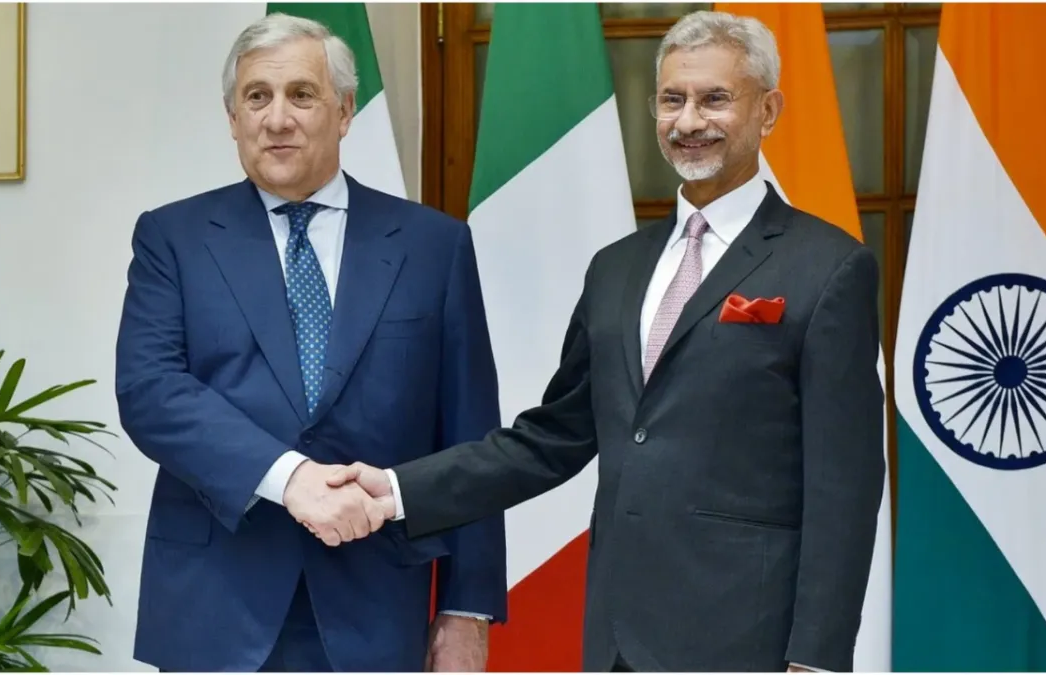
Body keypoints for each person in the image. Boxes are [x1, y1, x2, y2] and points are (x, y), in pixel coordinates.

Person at [321, 10, 885, 673]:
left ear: (768, 110)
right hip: (618, 640)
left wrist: (817, 659)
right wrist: (397, 489)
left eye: (714, 99)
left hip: (749, 641)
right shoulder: (616, 268)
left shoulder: (829, 266)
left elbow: (845, 485)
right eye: (671, 100)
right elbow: (550, 439)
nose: (689, 120)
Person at [114, 13, 506, 673]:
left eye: (301, 94)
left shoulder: (433, 246)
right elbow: (151, 392)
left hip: (378, 603)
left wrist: (468, 606)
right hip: (218, 603)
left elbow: (469, 438)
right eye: (257, 97)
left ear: (345, 111)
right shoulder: (173, 238)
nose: (277, 118)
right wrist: (290, 477)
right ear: (232, 117)